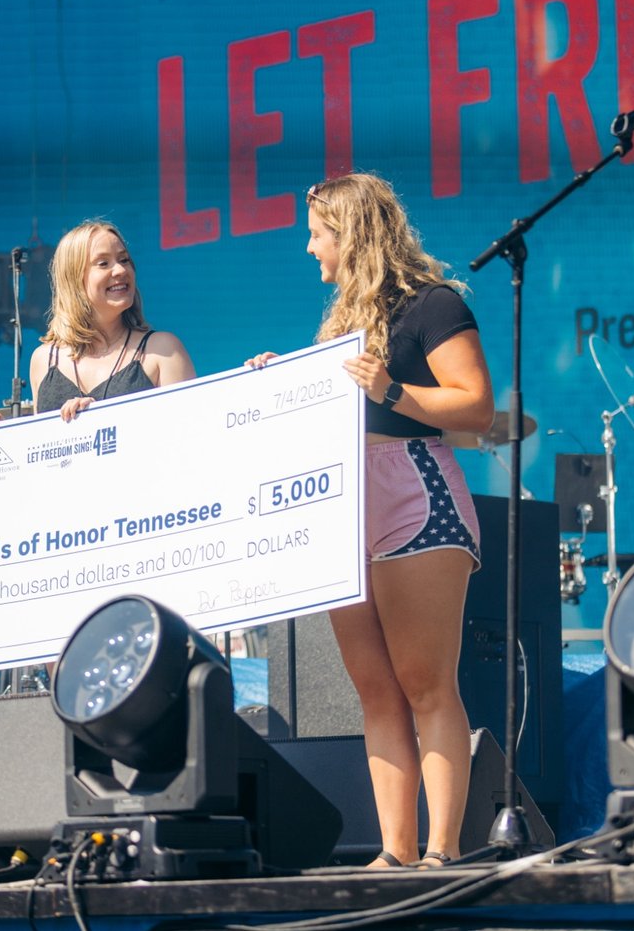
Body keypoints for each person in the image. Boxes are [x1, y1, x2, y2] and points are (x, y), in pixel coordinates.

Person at [249, 173, 494, 870]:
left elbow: (476, 406)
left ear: (351, 234)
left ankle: (443, 849)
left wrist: (390, 389)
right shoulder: (342, 326)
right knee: (376, 690)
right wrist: (283, 382)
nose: (309, 248)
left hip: (414, 494)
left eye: (317, 234)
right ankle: (395, 851)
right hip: (344, 507)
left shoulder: (433, 304)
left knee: (425, 681)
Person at [0, 220, 194, 427]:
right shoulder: (44, 359)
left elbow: (190, 435)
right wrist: (3, 430)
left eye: (124, 260)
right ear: (74, 278)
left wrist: (97, 419)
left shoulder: (163, 351)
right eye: (103, 263)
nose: (120, 270)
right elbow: (41, 446)